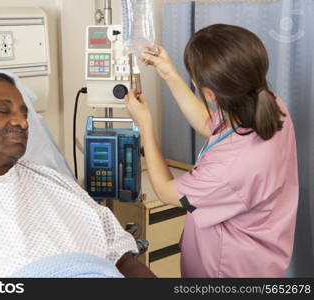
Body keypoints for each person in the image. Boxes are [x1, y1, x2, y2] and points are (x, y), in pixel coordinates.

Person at [0, 72, 155, 278]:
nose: (23, 122)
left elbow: (123, 259)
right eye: (3, 110)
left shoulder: (56, 183)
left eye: (24, 113)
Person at [125, 24, 298, 277]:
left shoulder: (228, 169)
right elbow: (210, 124)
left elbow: (165, 191)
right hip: (264, 257)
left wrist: (145, 125)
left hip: (229, 270)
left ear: (210, 94)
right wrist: (169, 73)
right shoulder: (268, 104)